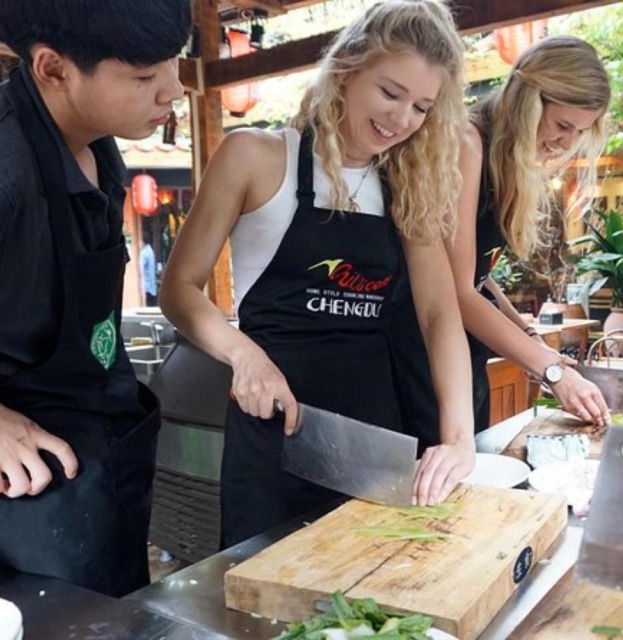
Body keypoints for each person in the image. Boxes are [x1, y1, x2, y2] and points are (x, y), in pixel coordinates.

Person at [0, 0, 189, 596]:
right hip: (28, 500)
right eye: (145, 76)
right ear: (53, 69)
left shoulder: (95, 140)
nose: (172, 89)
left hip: (103, 466)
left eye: (174, 63)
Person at [161, 0, 476, 548]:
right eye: (390, 92)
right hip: (273, 430)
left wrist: (459, 438)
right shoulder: (254, 156)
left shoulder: (406, 184)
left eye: (422, 107)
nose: (402, 120)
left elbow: (439, 313)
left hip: (374, 438)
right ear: (348, 68)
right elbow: (178, 290)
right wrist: (244, 355)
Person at [389, 36, 612, 449]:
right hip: (420, 347)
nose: (566, 142)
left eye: (579, 132)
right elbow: (456, 292)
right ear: (529, 98)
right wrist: (552, 370)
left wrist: (530, 339)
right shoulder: (467, 143)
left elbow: (479, 277)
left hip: (463, 351)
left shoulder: (505, 158)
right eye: (562, 125)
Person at [141, 228, 158, 306]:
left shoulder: (144, 252)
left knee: (149, 301)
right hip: (150, 282)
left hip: (147, 282)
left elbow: (141, 268)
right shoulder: (150, 251)